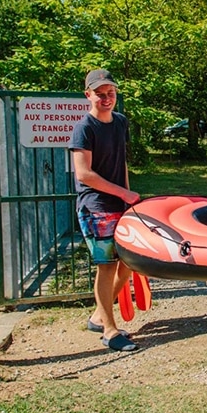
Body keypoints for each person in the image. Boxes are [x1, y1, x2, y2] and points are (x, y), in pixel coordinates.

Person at [69, 69, 141, 352]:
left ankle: (100, 315)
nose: (106, 98)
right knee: (107, 265)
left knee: (129, 263)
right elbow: (84, 174)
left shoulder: (120, 122)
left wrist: (128, 199)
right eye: (100, 94)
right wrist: (123, 192)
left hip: (120, 205)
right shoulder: (84, 128)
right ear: (88, 95)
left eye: (111, 93)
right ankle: (110, 331)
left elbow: (120, 163)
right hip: (95, 207)